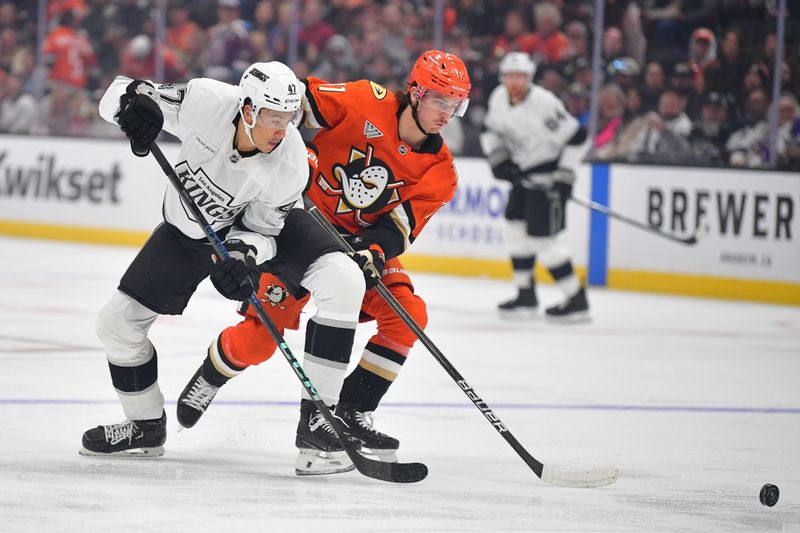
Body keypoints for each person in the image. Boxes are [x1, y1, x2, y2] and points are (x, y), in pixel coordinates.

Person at [175, 50, 472, 470]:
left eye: (456, 103)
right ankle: (213, 371)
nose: (448, 113)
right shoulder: (364, 100)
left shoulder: (441, 172)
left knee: (408, 314)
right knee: (260, 339)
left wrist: (374, 250)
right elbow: (295, 101)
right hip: (293, 226)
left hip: (355, 246)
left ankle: (347, 412)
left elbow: (397, 227)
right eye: (441, 100)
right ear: (416, 92)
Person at [79, 61, 365, 463]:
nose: (281, 131)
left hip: (253, 228)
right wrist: (130, 108)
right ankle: (145, 427)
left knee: (344, 279)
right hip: (187, 232)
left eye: (289, 119)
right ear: (247, 108)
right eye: (272, 119)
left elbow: (265, 230)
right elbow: (121, 90)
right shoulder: (206, 101)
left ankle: (318, 427)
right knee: (115, 325)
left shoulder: (290, 160)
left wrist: (243, 255)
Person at [480, 51, 589, 321]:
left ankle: (577, 299)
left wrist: (565, 174)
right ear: (503, 77)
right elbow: (490, 131)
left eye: (521, 76)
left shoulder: (544, 104)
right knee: (516, 233)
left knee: (544, 242)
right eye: (510, 76)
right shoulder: (498, 98)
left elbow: (579, 137)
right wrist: (498, 159)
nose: (515, 81)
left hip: (546, 181)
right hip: (522, 179)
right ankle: (525, 295)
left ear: (529, 78)